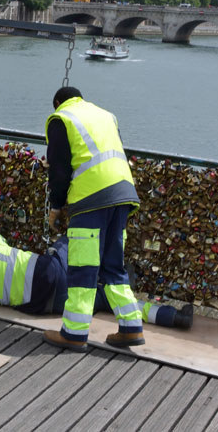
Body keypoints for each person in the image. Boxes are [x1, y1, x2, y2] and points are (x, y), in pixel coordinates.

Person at [43, 86, 143, 352]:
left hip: (91, 199)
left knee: (83, 268)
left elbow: (60, 169)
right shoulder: (105, 115)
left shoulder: (61, 118)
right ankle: (131, 328)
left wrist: (55, 206)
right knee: (113, 266)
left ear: (57, 102)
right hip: (123, 193)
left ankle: (74, 334)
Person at [0, 233, 191, 328]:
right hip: (47, 271)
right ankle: (115, 272)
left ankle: (170, 317)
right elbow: (2, 242)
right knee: (74, 236)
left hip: (42, 305)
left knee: (104, 302)